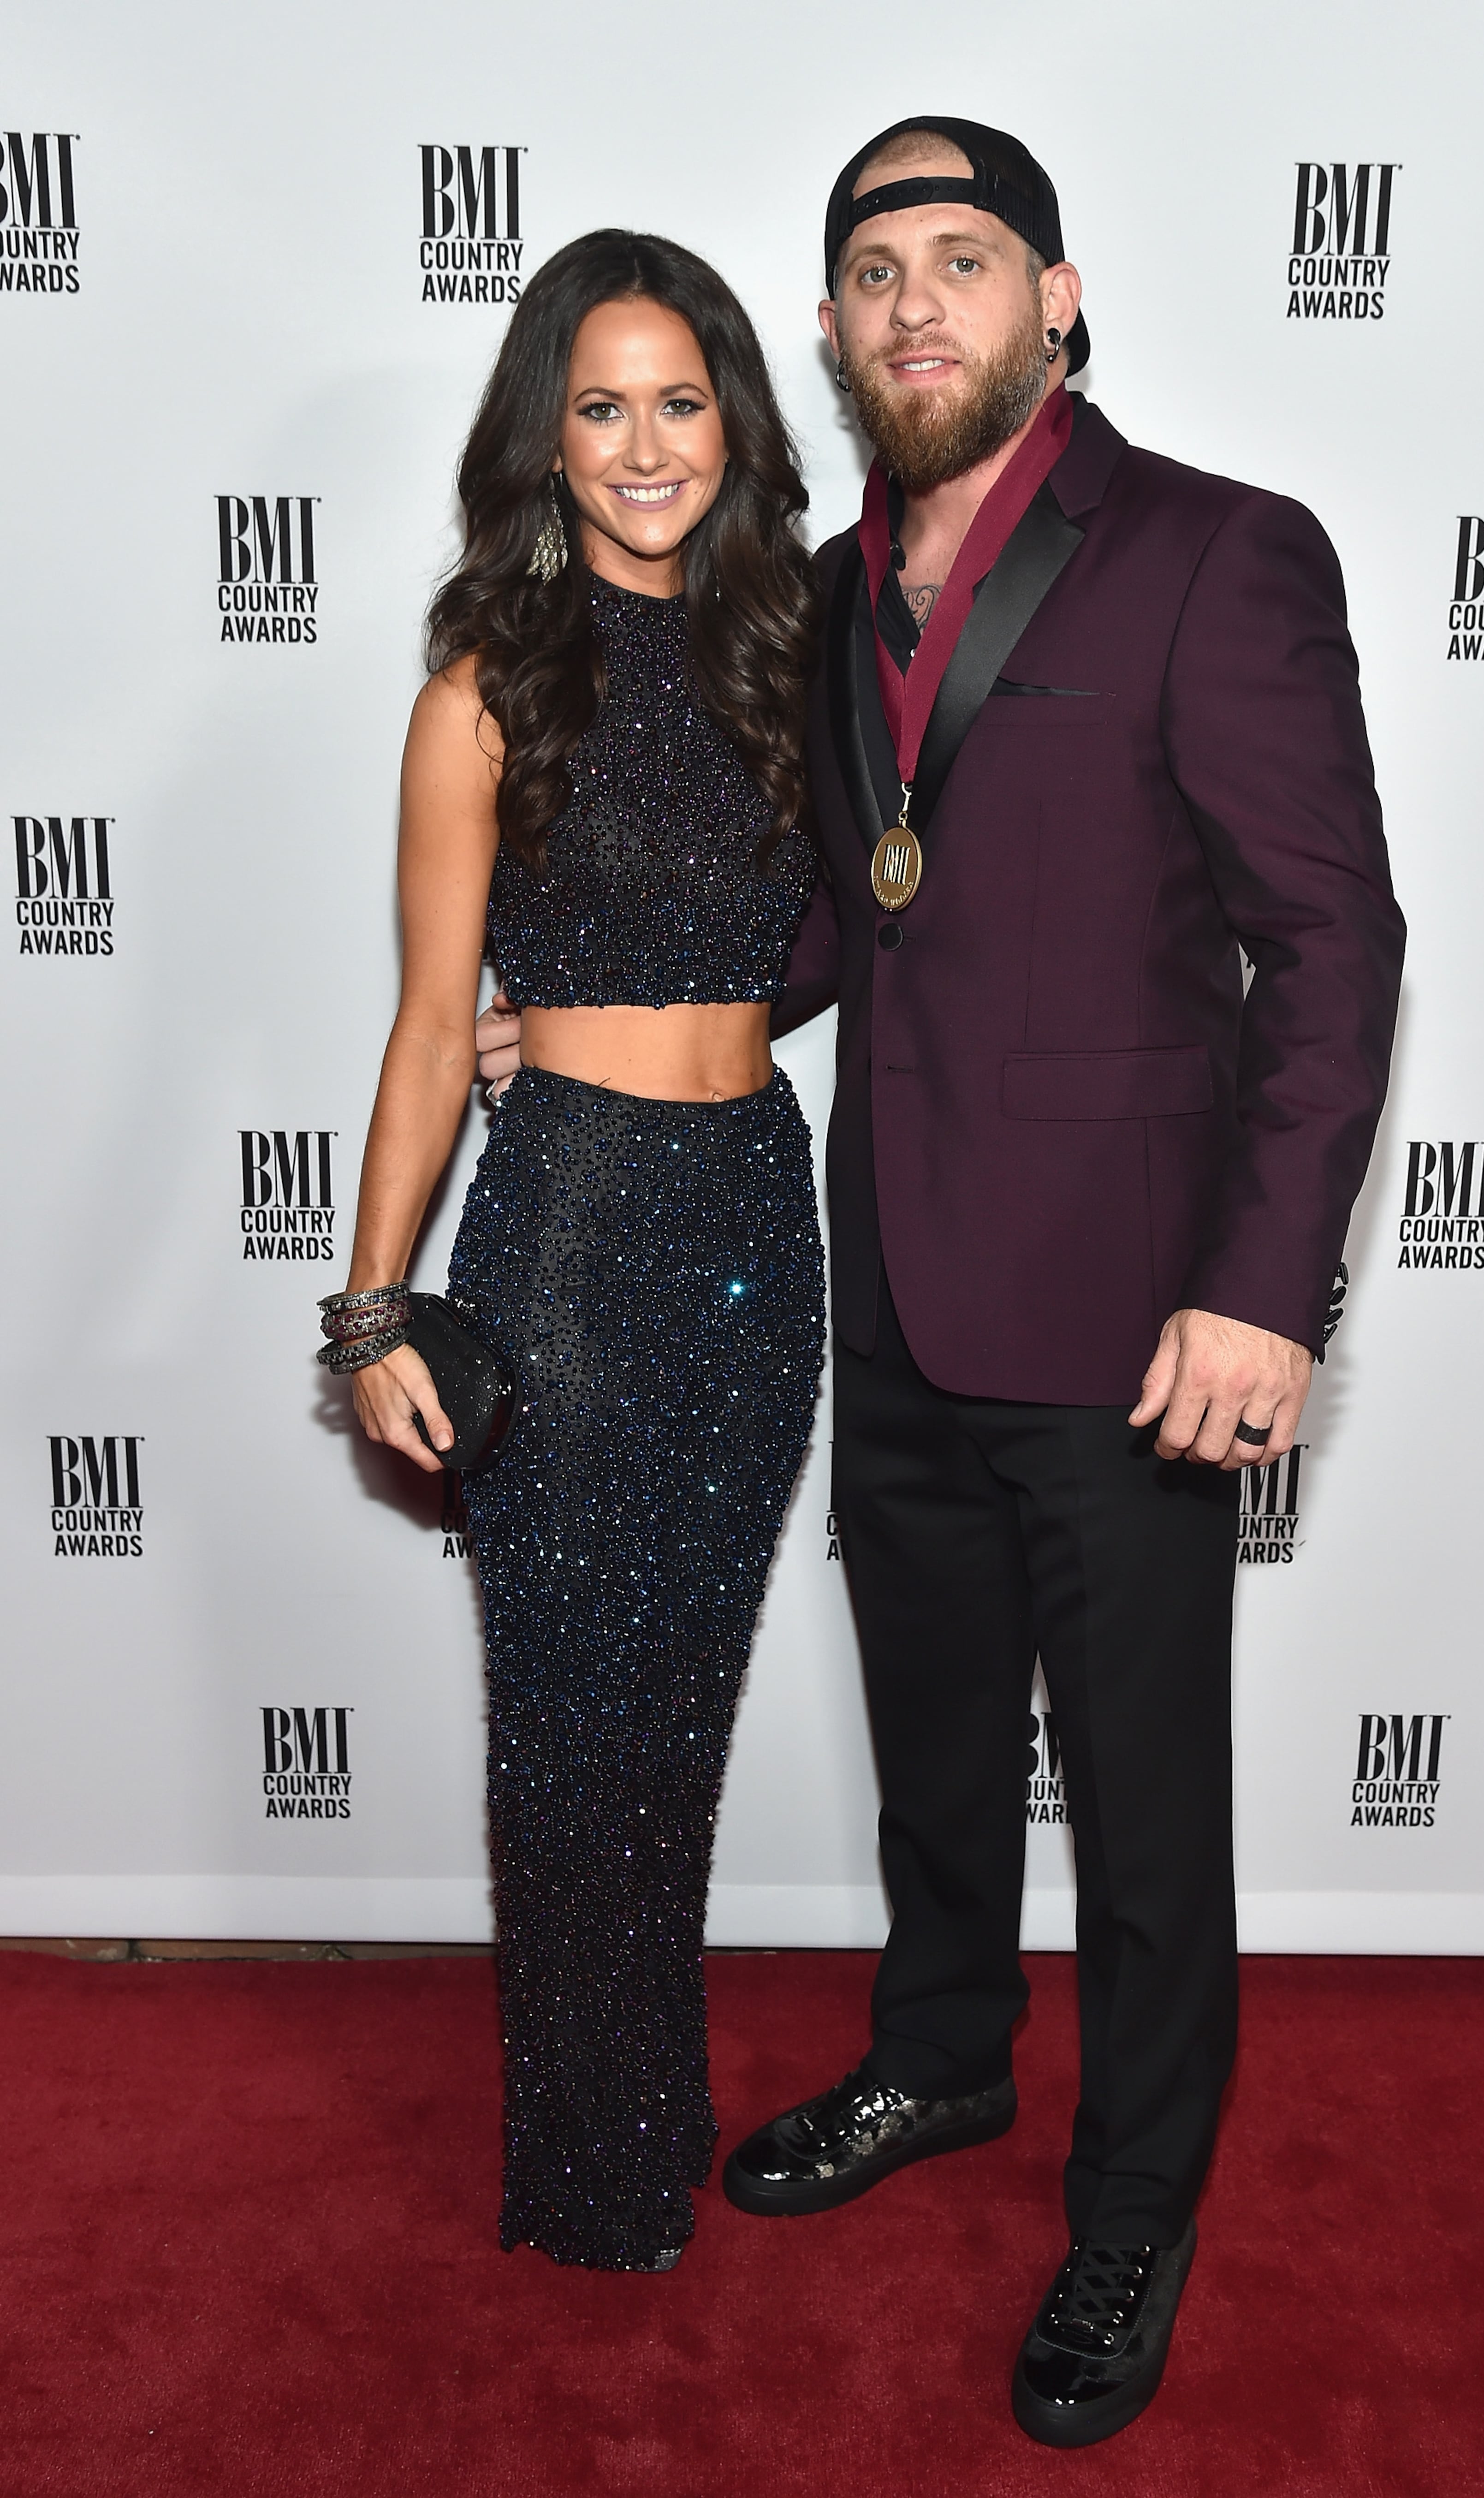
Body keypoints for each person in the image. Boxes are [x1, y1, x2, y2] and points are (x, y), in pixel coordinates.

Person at [481, 117, 1405, 2442]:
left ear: (1054, 300)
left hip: (1133, 1314)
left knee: (1147, 1797)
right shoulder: (816, 595)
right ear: (829, 325)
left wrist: (1264, 1289)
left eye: (965, 258)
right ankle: (942, 2053)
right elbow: (845, 905)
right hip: (877, 1276)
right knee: (939, 1737)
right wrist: (614, 1005)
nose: (919, 303)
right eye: (877, 268)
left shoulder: (1218, 552)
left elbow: (1332, 942)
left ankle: (1138, 2203)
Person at [326, 229, 825, 2275]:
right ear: (544, 439)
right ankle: (591, 2153)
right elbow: (430, 1028)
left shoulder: (794, 657)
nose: (644, 445)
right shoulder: (485, 694)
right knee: (565, 1719)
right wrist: (375, 1306)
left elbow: (863, 918)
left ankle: (650, 2087)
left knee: (679, 1711)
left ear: (736, 422)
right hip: (572, 1234)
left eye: (679, 401)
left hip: (757, 1224)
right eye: (599, 407)